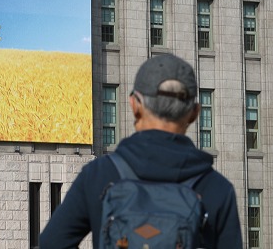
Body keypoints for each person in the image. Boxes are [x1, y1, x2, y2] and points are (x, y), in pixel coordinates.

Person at [39, 54, 242, 248]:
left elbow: (52, 242)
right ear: (194, 113)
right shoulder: (218, 189)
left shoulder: (98, 175)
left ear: (135, 105)